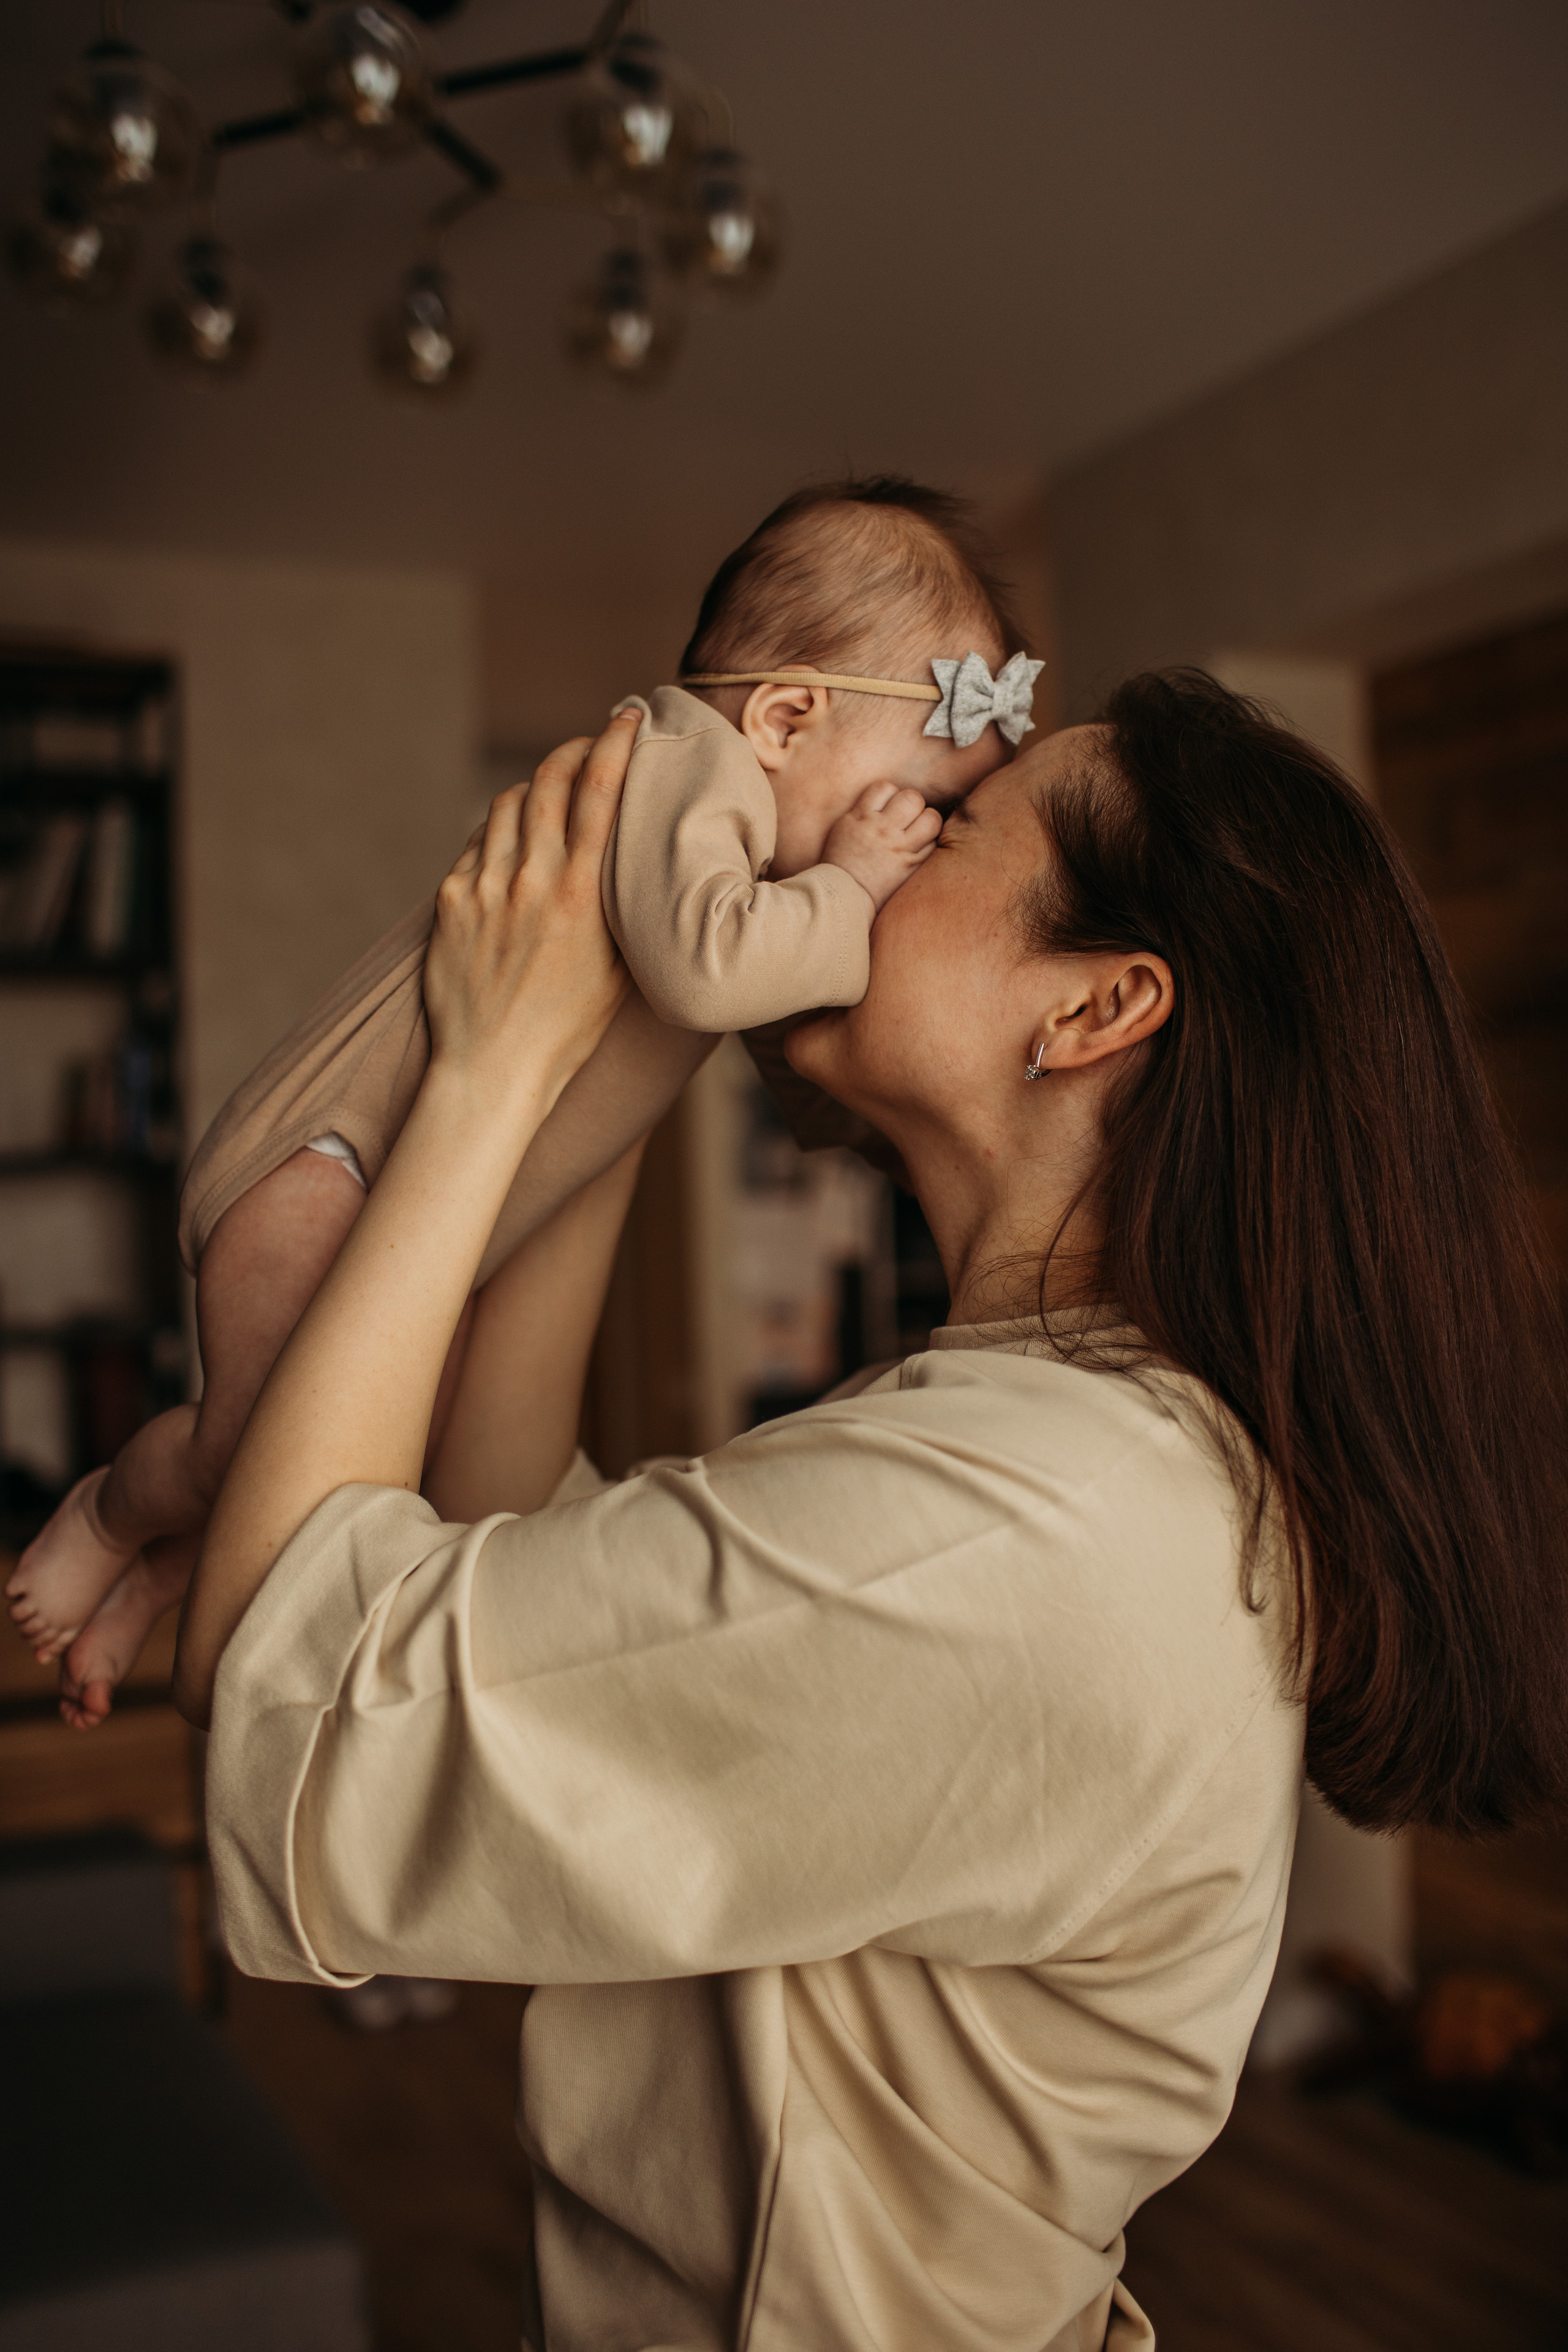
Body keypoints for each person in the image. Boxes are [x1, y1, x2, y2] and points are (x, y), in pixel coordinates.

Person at [177, 676, 1567, 2350]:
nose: (863, 840)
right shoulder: (1050, 1445)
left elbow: (291, 1702)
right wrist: (620, 1047)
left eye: (955, 823)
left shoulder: (1037, 1521)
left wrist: (489, 1071)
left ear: (1100, 1004)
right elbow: (511, 1542)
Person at [7, 477, 1037, 1726]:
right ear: (779, 715)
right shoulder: (681, 761)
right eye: (914, 798)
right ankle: (115, 1504)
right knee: (265, 1443)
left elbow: (781, 1028)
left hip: (406, 1195)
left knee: (341, 1472)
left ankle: (155, 1579)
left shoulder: (748, 870)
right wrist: (858, 881)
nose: (907, 837)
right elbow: (708, 967)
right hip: (326, 1160)